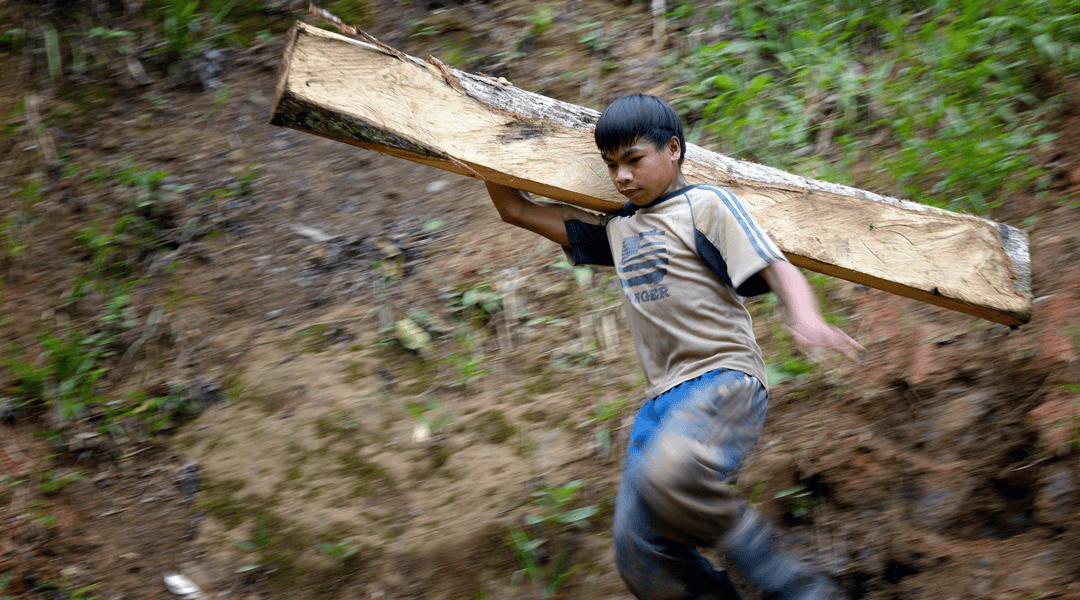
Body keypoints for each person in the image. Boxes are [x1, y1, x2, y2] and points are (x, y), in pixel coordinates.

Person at [484, 94, 863, 600]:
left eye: (634, 160)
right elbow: (514, 209)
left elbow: (777, 264)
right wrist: (481, 136)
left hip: (723, 379)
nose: (621, 176)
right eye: (611, 165)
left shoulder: (705, 205)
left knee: (671, 473)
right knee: (636, 548)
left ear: (674, 150)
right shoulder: (615, 231)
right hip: (662, 404)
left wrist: (807, 316)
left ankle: (801, 591)